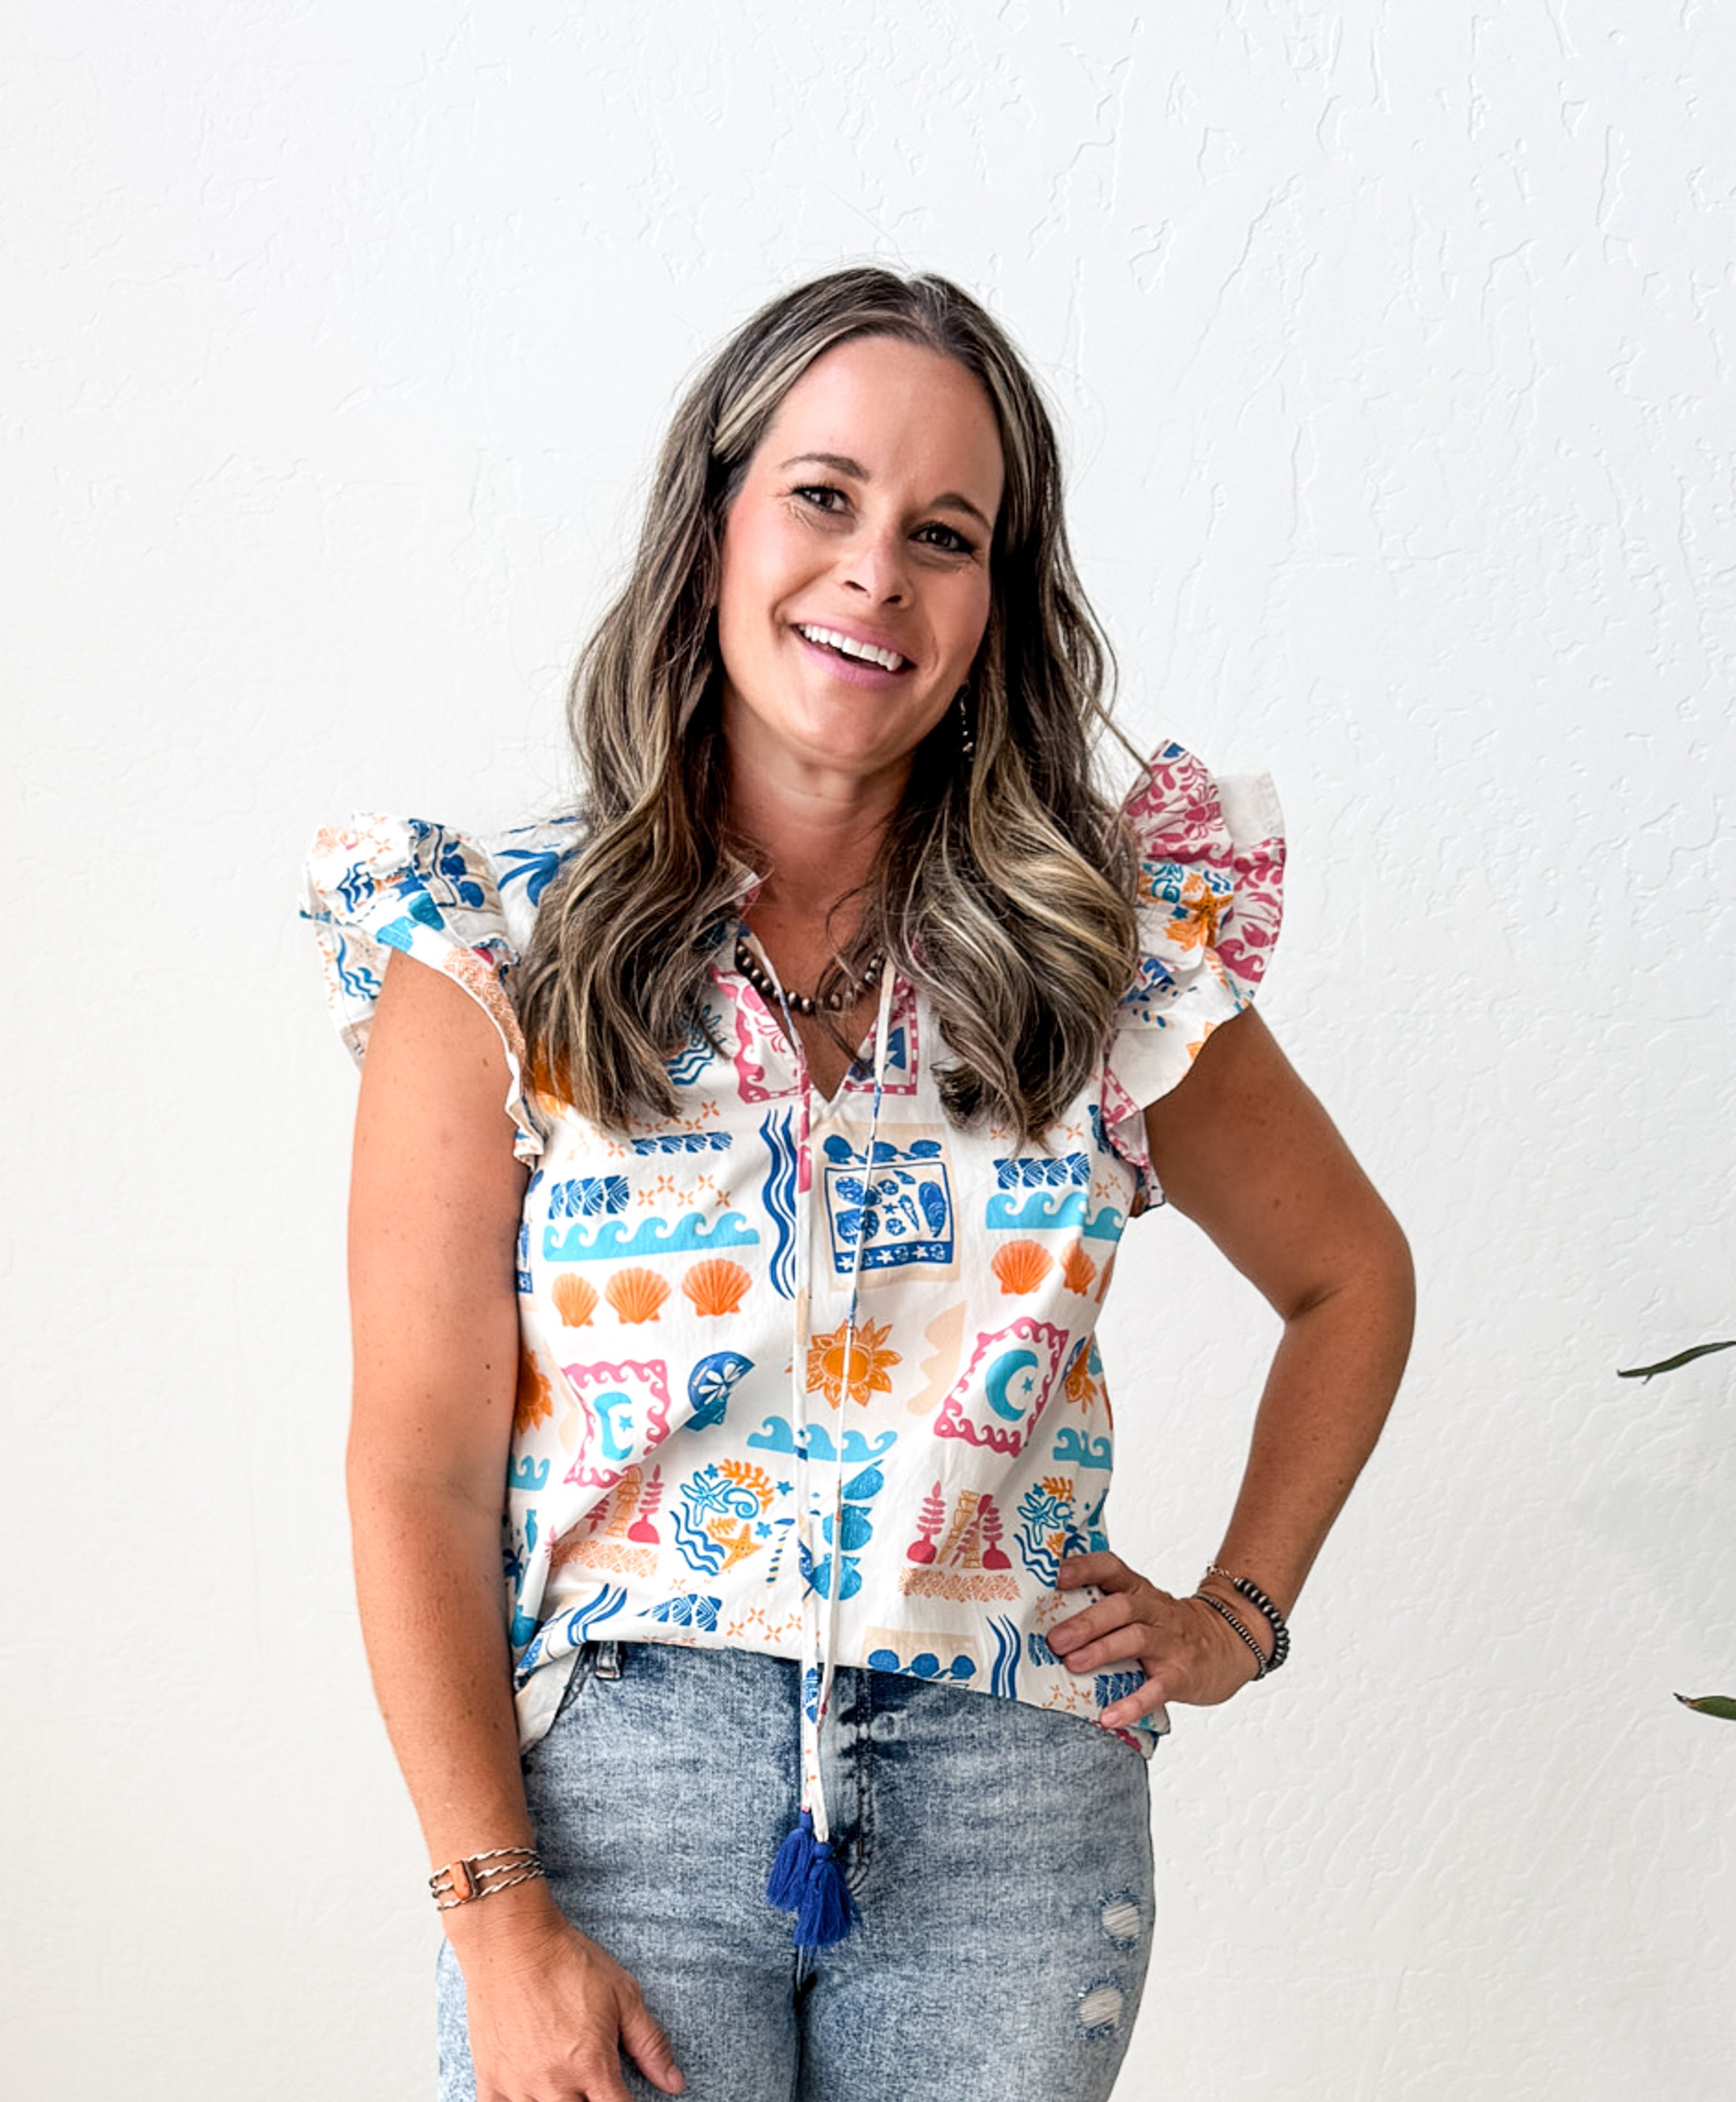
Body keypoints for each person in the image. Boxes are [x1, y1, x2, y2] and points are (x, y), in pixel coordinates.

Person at [302, 266, 1414, 2102]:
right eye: (823, 495)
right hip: (619, 1793)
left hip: (1014, 1802)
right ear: (717, 517)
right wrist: (498, 1917)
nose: (875, 572)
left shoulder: (1101, 960)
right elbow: (413, 1460)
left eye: (945, 532)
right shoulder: (493, 952)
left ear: (998, 602)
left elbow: (1350, 1276)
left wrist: (1239, 1611)